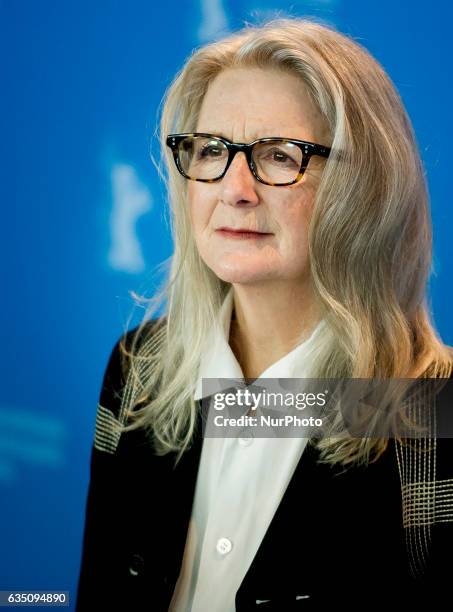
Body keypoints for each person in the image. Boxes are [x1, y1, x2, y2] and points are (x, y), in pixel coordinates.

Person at [75, 17, 453, 612]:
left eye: (280, 156)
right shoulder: (136, 371)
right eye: (212, 150)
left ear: (367, 190)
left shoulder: (433, 418)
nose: (236, 188)